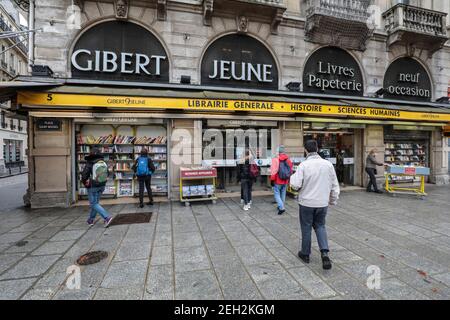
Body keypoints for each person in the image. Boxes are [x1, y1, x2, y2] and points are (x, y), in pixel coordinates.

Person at [290, 140, 340, 270]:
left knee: (306, 227)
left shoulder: (303, 165)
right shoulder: (328, 165)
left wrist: (293, 178)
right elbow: (335, 185)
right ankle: (324, 253)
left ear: (305, 150)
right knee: (320, 226)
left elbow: (295, 185)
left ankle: (305, 254)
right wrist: (333, 200)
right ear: (317, 148)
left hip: (306, 202)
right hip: (322, 203)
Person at [81, 148, 113, 227]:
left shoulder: (90, 163)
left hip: (93, 186)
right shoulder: (103, 162)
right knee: (95, 203)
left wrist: (86, 183)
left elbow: (84, 175)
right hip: (102, 185)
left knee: (93, 204)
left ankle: (107, 217)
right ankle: (91, 220)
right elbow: (108, 173)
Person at [270, 145, 293, 215]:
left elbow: (273, 171)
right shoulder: (288, 159)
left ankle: (281, 208)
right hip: (285, 180)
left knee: (276, 194)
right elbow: (290, 170)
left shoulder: (275, 159)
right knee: (283, 193)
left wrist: (272, 180)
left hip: (277, 180)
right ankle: (281, 206)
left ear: (278, 151)